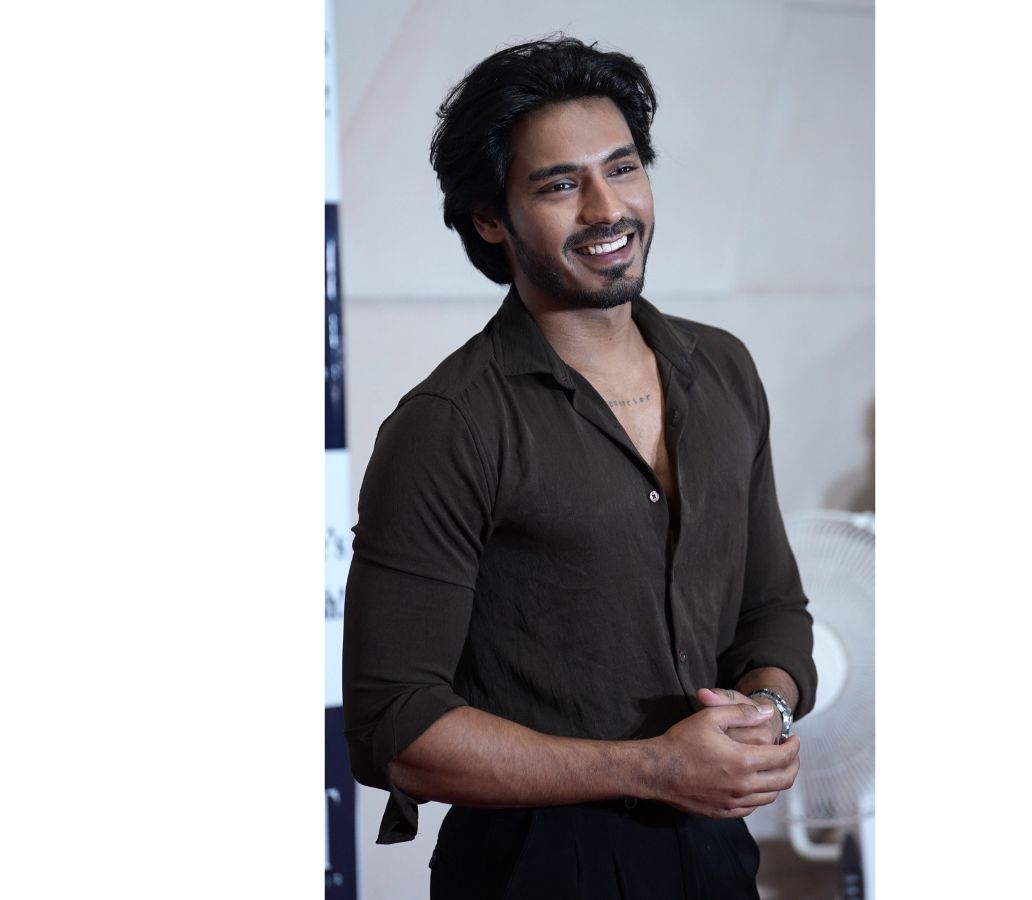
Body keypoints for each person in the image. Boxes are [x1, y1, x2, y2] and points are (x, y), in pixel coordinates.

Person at [343, 36, 817, 900]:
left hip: (716, 856)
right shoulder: (448, 425)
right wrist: (653, 768)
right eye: (560, 185)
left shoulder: (723, 370)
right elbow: (396, 726)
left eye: (622, 169)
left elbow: (773, 607)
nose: (607, 209)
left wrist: (765, 709)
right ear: (491, 219)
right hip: (534, 870)